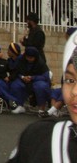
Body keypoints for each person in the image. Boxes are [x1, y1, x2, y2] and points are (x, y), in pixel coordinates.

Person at [8, 31, 77, 161]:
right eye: (70, 80)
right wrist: (23, 77)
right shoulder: (41, 138)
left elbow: (45, 77)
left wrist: (33, 78)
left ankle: (41, 107)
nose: (74, 92)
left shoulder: (40, 63)